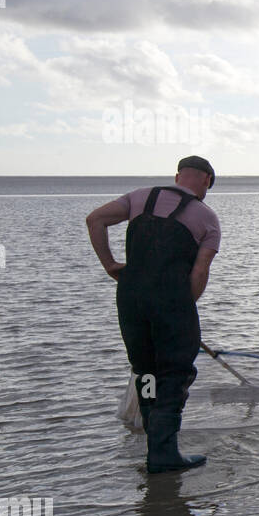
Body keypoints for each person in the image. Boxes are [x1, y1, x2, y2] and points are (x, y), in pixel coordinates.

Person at [86, 156, 221, 473]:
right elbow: (199, 274)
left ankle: (153, 448)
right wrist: (181, 312)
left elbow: (95, 220)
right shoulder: (207, 218)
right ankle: (164, 455)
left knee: (145, 370)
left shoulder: (139, 197)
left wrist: (109, 265)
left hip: (130, 299)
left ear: (178, 176)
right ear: (206, 181)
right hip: (171, 302)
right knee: (174, 374)